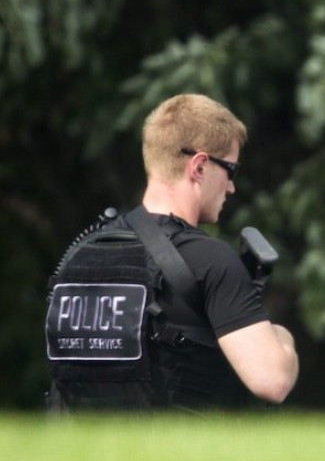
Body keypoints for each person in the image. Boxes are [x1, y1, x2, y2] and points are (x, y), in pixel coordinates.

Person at [45, 94, 299, 412]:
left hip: (80, 458)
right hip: (177, 459)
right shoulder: (210, 260)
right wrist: (281, 336)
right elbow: (272, 381)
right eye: (230, 170)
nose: (232, 187)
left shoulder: (81, 256)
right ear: (200, 166)